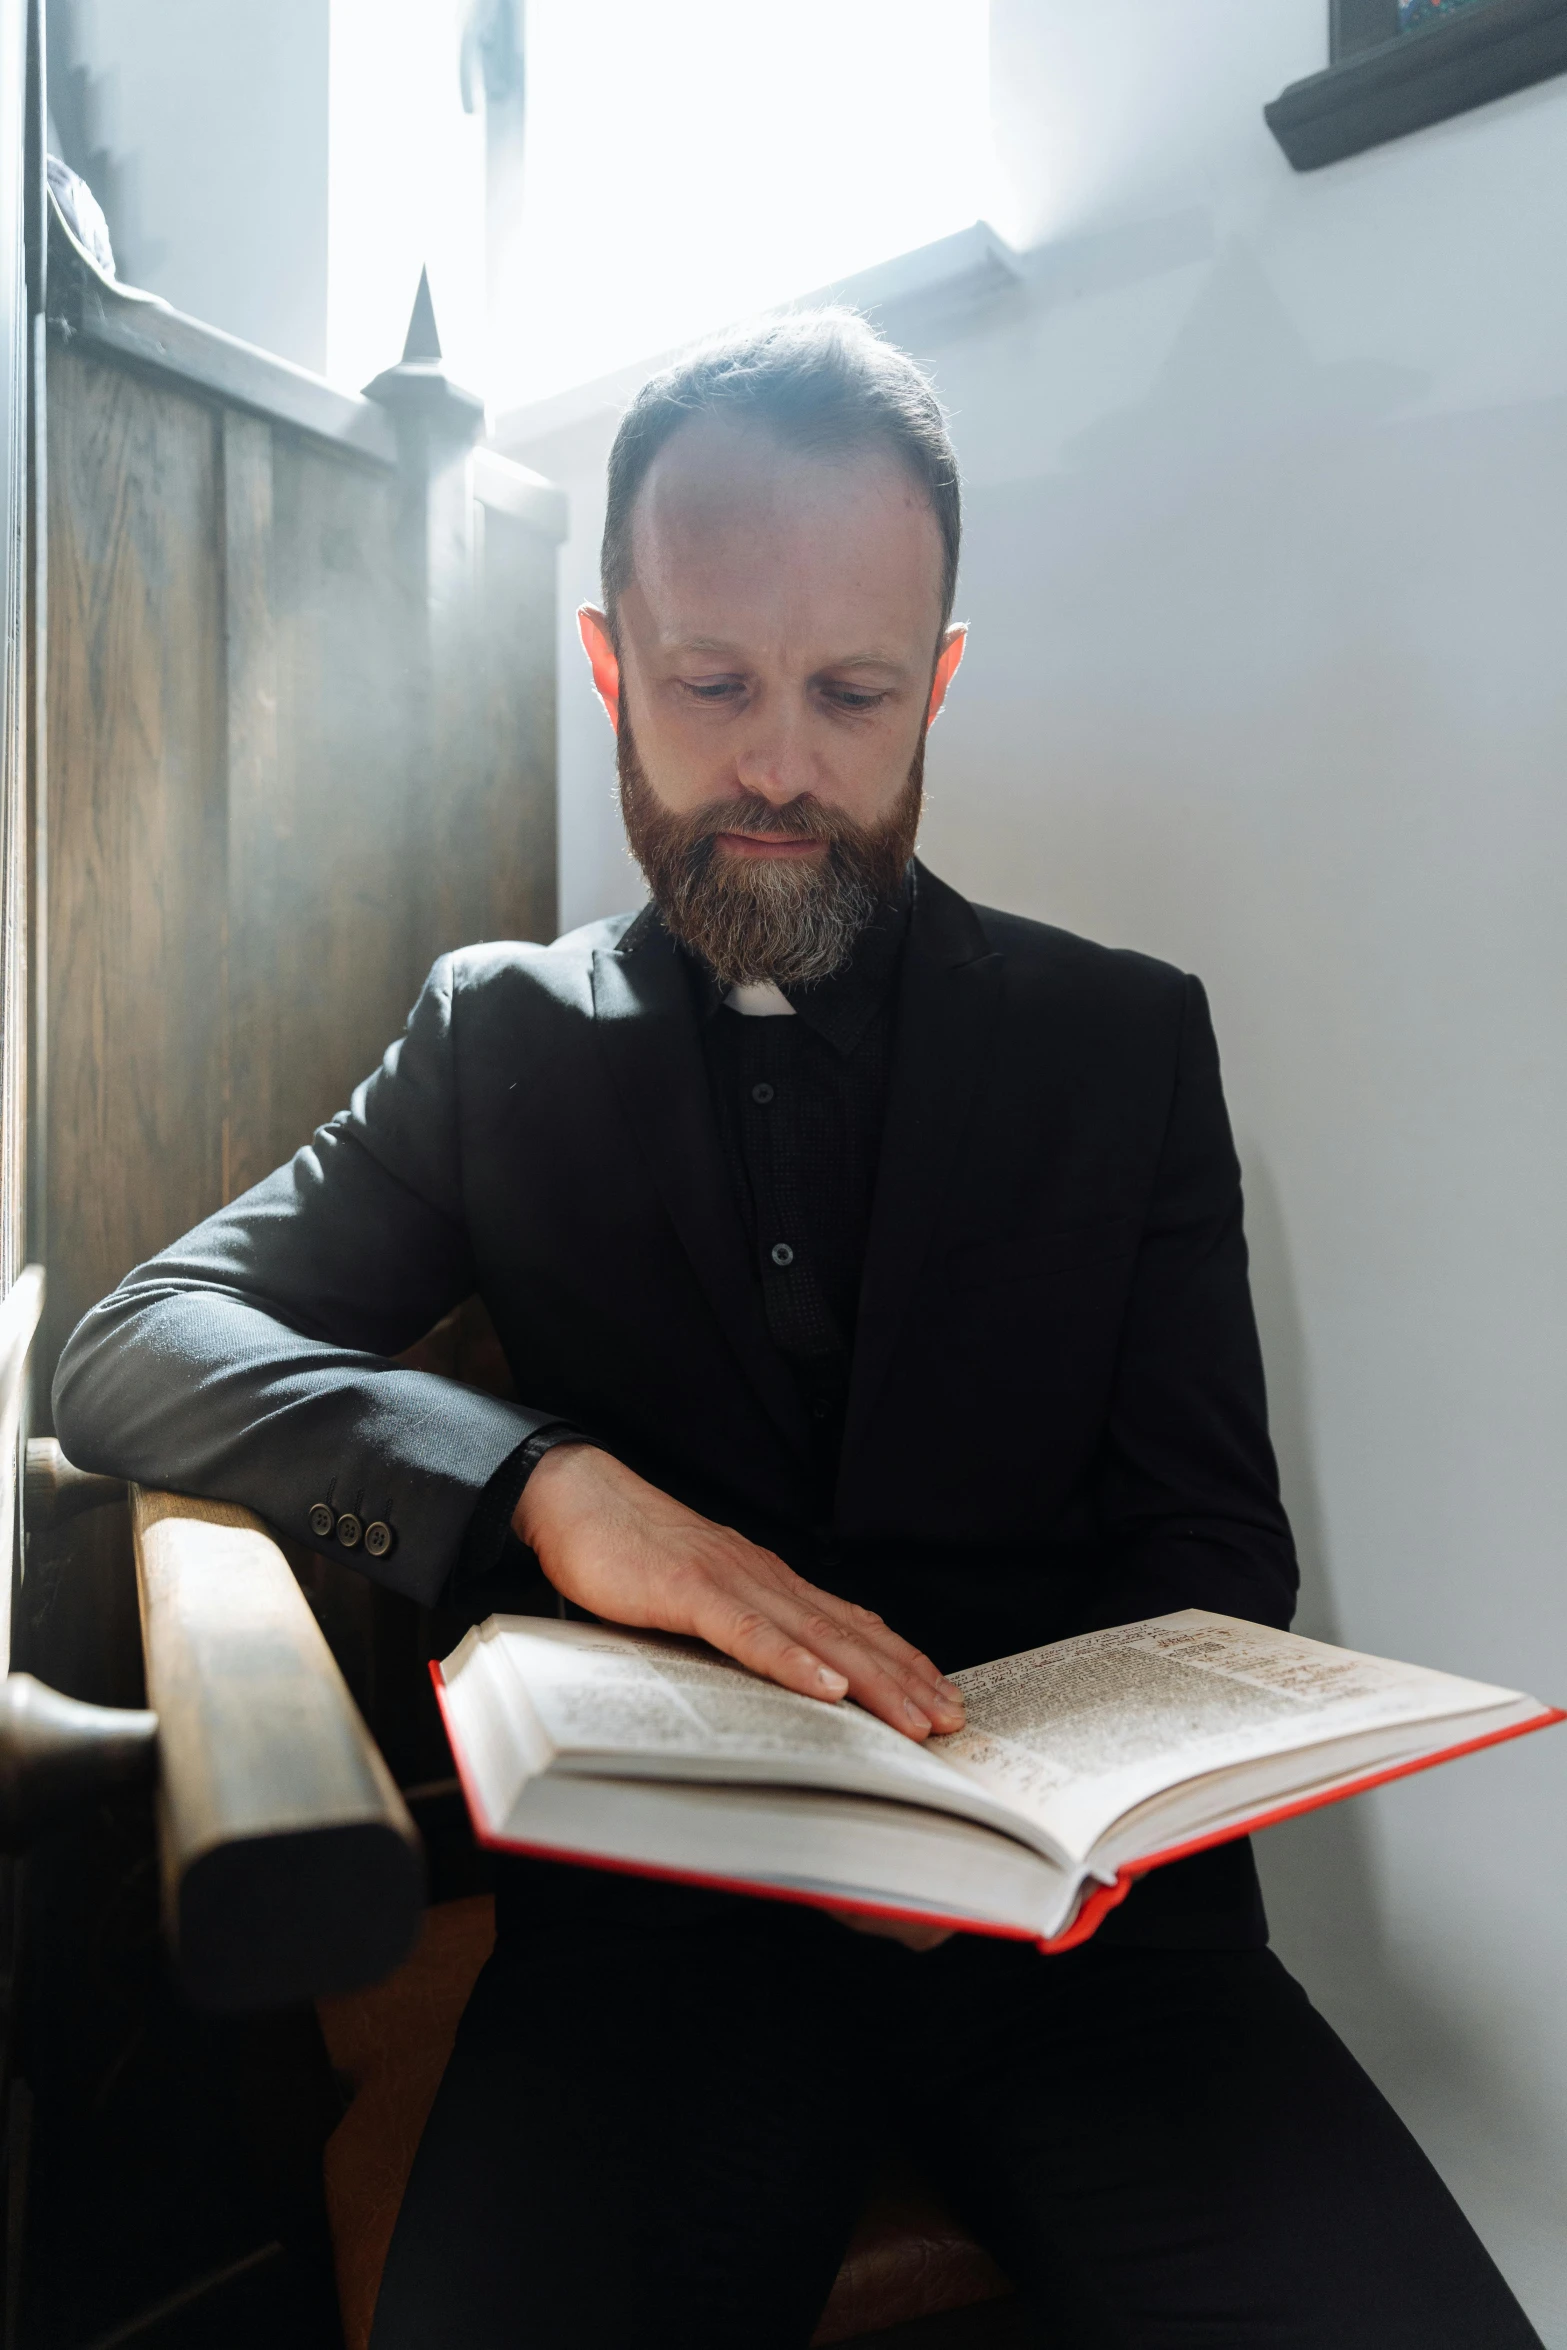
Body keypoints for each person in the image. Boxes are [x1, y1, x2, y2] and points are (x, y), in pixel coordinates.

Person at [53, 310, 1542, 2350]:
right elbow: (136, 1340)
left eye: (852, 694)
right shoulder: (489, 1038)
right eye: (710, 682)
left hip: (1095, 1951)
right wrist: (544, 1486)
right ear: (605, 665)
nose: (779, 765)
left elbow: (1217, 1556)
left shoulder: (1130, 1043)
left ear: (938, 685)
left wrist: (1036, 1834)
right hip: (650, 1972)